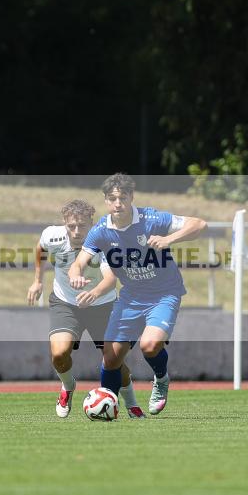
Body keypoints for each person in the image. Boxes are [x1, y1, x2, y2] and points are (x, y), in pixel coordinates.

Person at [68, 173, 207, 415]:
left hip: (165, 293)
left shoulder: (152, 219)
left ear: (132, 197)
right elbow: (78, 262)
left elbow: (199, 224)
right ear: (105, 201)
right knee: (111, 359)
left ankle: (161, 379)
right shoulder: (100, 231)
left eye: (123, 197)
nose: (118, 203)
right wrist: (75, 275)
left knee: (150, 345)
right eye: (112, 198)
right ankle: (107, 408)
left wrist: (168, 239)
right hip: (131, 297)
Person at [27, 199, 145, 419]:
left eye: (82, 225)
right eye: (72, 226)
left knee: (113, 360)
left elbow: (111, 278)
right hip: (65, 303)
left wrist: (93, 294)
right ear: (65, 223)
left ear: (91, 223)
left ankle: (131, 404)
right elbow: (40, 248)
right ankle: (68, 387)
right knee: (60, 353)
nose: (77, 231)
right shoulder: (52, 235)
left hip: (102, 306)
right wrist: (37, 281)